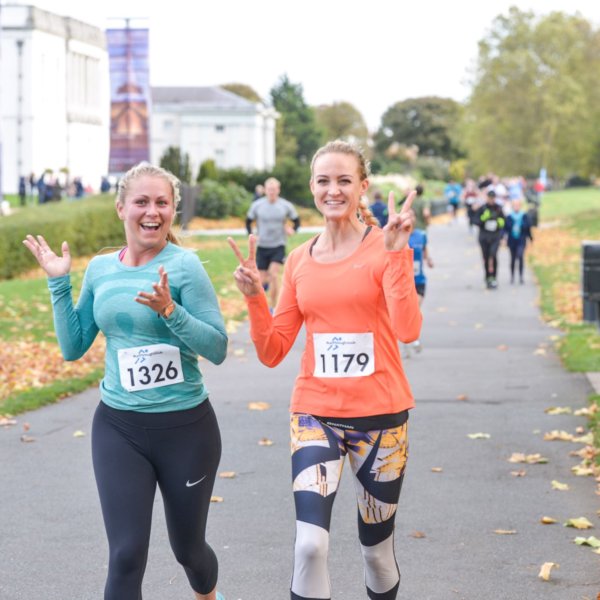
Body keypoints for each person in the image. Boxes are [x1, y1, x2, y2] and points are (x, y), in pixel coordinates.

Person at [23, 162, 227, 600]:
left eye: (162, 203)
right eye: (141, 201)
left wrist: (172, 312)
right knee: (126, 554)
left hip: (186, 429)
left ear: (172, 211)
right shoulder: (100, 270)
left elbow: (217, 348)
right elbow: (73, 347)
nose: (151, 212)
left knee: (188, 550)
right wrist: (59, 282)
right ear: (121, 208)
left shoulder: (185, 267)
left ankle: (208, 594)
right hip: (119, 428)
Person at [229, 140, 421, 600]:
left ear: (363, 188)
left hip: (382, 420)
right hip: (316, 415)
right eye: (323, 181)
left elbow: (408, 329)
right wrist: (256, 296)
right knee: (310, 546)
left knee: (376, 552)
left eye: (344, 180)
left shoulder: (385, 248)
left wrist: (397, 256)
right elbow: (273, 350)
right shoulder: (298, 260)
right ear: (311, 188)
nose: (332, 190)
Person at [245, 176, 300, 310]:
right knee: (262, 279)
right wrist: (252, 235)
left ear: (278, 190)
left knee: (274, 274)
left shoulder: (285, 205)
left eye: (274, 189)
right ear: (265, 190)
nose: (272, 192)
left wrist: (291, 229)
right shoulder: (257, 205)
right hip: (262, 246)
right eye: (269, 189)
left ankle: (273, 306)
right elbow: (248, 221)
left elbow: (296, 220)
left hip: (278, 245)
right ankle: (262, 303)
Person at [405, 226, 433, 355]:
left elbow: (424, 249)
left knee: (415, 308)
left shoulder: (421, 235)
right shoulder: (397, 235)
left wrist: (429, 259)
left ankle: (412, 337)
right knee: (408, 310)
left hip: (419, 280)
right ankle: (408, 337)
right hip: (404, 280)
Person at [475, 189, 505, 289]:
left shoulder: (499, 208)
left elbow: (503, 221)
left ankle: (494, 277)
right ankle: (488, 276)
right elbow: (476, 221)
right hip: (484, 236)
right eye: (489, 198)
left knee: (493, 255)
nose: (491, 200)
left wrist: (498, 222)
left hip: (495, 236)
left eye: (493, 198)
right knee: (486, 257)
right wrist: (484, 218)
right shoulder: (482, 208)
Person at [503, 197, 533, 284]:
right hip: (512, 240)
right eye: (515, 205)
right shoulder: (509, 216)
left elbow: (528, 228)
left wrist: (530, 238)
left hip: (521, 239)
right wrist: (503, 238)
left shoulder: (524, 216)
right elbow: (505, 229)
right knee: (512, 259)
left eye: (518, 205)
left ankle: (521, 277)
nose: (516, 207)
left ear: (520, 206)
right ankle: (512, 277)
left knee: (520, 256)